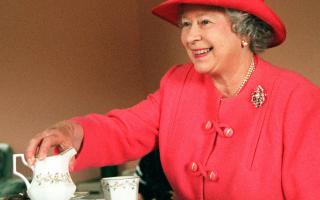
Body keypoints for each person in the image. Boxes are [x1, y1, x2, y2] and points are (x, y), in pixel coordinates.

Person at [25, 0, 320, 199]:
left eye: (204, 22)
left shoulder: (297, 99)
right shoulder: (178, 82)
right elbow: (127, 129)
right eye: (185, 24)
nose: (191, 37)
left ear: (243, 31)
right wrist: (71, 133)